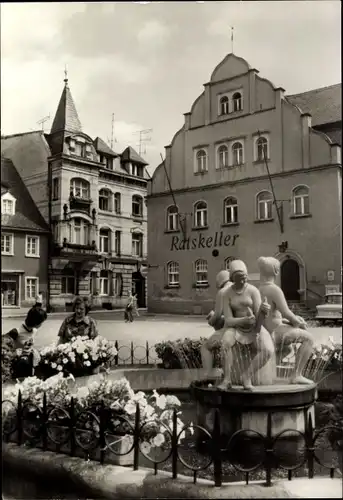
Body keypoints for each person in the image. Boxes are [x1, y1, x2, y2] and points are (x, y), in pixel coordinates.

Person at [211, 260, 273, 391]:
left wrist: (263, 312)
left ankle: (247, 376)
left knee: (268, 350)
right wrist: (244, 320)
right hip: (235, 327)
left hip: (253, 326)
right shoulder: (227, 293)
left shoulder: (253, 291)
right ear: (232, 279)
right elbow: (228, 320)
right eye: (239, 278)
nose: (242, 281)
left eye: (244, 278)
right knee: (225, 343)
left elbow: (258, 320)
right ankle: (227, 379)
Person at [257, 256, 314, 385]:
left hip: (266, 332)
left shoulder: (259, 288)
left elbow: (272, 315)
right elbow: (286, 312)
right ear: (276, 272)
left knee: (287, 349)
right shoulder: (275, 289)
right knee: (308, 338)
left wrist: (290, 321)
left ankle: (268, 371)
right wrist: (297, 321)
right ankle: (296, 375)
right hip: (275, 333)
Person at [201, 270, 231, 381]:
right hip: (244, 331)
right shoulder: (241, 289)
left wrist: (211, 319)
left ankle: (208, 375)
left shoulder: (222, 292)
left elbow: (217, 316)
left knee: (206, 347)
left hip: (230, 331)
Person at [2, 306, 48, 377]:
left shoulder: (34, 331)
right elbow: (5, 350)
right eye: (41, 322)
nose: (42, 324)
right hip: (18, 366)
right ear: (36, 322)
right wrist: (17, 352)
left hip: (29, 363)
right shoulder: (16, 332)